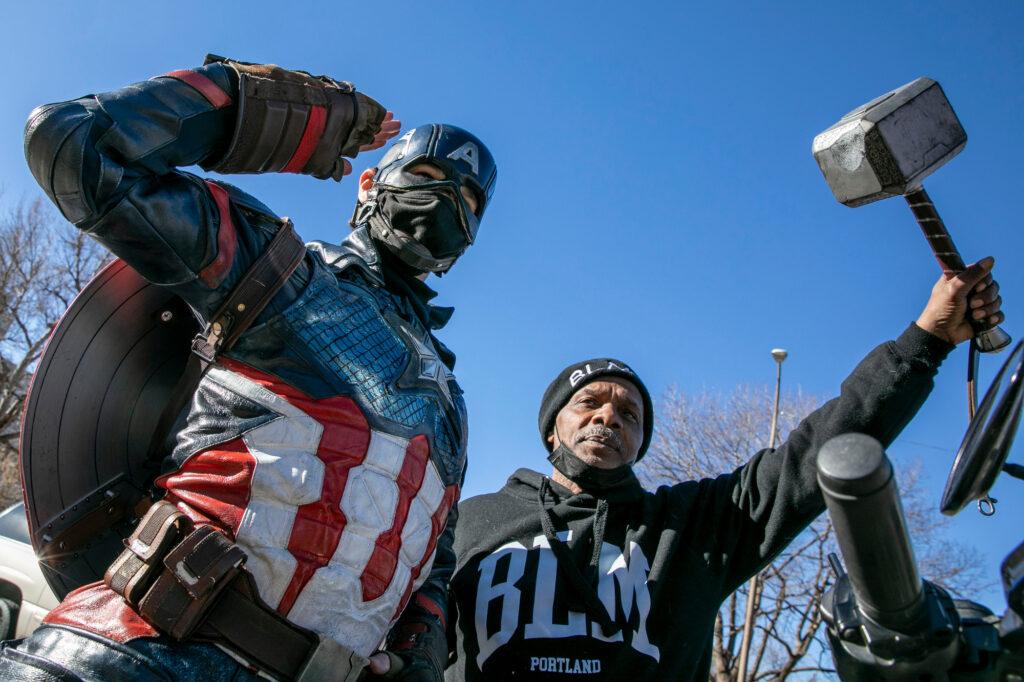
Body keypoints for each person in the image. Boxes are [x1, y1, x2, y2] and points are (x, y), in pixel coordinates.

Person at [2, 56, 496, 681]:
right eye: (429, 174)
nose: (449, 201)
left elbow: (434, 559)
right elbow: (73, 143)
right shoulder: (282, 271)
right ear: (370, 184)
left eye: (471, 199)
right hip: (133, 653)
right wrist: (289, 117)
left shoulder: (451, 401)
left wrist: (420, 654)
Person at [445, 260, 1003, 680]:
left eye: (630, 413)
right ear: (552, 428)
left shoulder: (693, 526)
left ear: (639, 444)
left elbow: (815, 453)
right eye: (589, 402)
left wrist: (925, 340)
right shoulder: (468, 521)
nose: (609, 416)